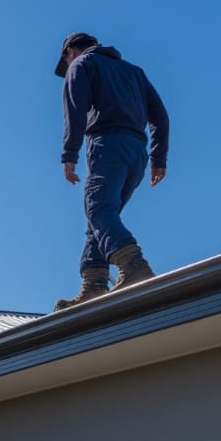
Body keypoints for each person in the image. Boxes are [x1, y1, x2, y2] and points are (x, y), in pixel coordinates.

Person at [53, 32, 170, 311]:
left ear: (71, 51)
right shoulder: (134, 71)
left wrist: (69, 155)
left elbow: (76, 111)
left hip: (108, 145)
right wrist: (158, 158)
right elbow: (160, 115)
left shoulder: (81, 65)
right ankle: (94, 285)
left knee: (98, 210)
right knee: (102, 217)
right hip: (137, 153)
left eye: (67, 61)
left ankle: (134, 266)